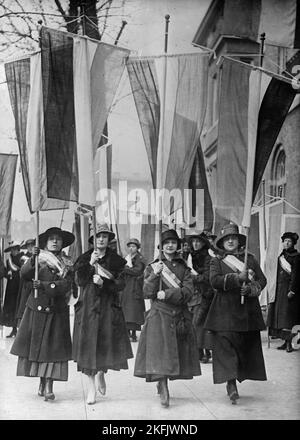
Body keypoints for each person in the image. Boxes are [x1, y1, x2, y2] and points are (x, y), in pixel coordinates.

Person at [134, 229, 201, 408]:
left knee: (175, 353)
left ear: (177, 246)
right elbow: (146, 293)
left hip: (178, 315)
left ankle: (163, 381)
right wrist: (155, 274)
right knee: (160, 353)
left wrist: (167, 293)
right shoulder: (153, 266)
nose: (170, 245)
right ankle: (163, 385)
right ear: (161, 247)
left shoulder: (184, 268)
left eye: (173, 242)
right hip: (158, 314)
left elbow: (188, 292)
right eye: (166, 243)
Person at [204, 222, 267, 404]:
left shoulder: (250, 259)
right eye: (227, 239)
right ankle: (231, 383)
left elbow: (262, 280)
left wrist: (251, 289)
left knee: (241, 349)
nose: (231, 241)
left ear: (239, 241)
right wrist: (235, 278)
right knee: (226, 347)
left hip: (246, 312)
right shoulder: (216, 260)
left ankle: (236, 378)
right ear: (221, 242)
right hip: (223, 311)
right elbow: (214, 281)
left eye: (234, 238)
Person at [10, 227, 75, 401]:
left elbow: (67, 285)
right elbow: (23, 274)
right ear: (45, 243)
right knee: (38, 349)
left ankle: (49, 385)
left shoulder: (67, 263)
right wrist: (34, 258)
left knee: (52, 350)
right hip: (36, 309)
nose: (55, 241)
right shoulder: (38, 259)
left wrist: (45, 286)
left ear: (62, 243)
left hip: (56, 311)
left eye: (58, 239)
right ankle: (41, 381)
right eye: (51, 239)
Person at [72, 224, 133, 405]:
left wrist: (104, 283)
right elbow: (79, 281)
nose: (101, 239)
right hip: (88, 308)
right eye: (98, 236)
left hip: (108, 308)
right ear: (93, 239)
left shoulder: (116, 261)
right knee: (89, 347)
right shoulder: (84, 258)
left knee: (105, 345)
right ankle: (91, 387)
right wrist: (90, 264)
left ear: (109, 239)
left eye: (105, 236)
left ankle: (101, 374)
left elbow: (121, 285)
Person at [267, 232, 300, 353]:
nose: (286, 243)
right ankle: (284, 341)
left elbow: (296, 276)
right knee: (280, 317)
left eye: (289, 241)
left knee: (288, 317)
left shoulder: (296, 257)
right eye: (285, 241)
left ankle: (289, 343)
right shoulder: (281, 256)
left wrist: (292, 290)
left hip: (289, 290)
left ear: (293, 243)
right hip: (279, 290)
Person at [187, 231, 214, 363]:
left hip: (205, 294)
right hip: (192, 295)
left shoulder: (208, 258)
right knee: (195, 323)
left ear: (203, 243)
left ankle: (204, 351)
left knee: (198, 323)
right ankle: (201, 351)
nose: (196, 244)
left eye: (198, 241)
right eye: (194, 241)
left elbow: (207, 277)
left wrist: (193, 278)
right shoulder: (189, 257)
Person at [121, 238, 145, 342]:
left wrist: (126, 268)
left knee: (134, 311)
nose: (131, 248)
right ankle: (127, 332)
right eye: (129, 246)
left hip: (135, 287)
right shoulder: (127, 257)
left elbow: (138, 271)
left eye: (133, 246)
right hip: (126, 287)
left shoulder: (140, 258)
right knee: (126, 310)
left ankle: (134, 333)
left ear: (137, 248)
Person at [0, 241, 24, 338]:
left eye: (15, 249)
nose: (13, 251)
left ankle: (21, 330)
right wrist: (7, 274)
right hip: (11, 287)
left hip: (20, 285)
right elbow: (4, 273)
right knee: (11, 307)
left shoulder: (22, 259)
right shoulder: (8, 261)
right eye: (12, 249)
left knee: (19, 306)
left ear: (18, 249)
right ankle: (14, 330)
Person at [15, 239, 35, 327]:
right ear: (26, 247)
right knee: (24, 305)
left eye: (32, 245)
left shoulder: (39, 255)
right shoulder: (24, 257)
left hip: (36, 284)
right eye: (29, 246)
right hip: (27, 284)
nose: (31, 247)